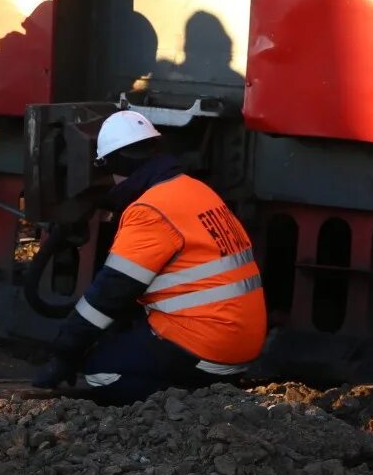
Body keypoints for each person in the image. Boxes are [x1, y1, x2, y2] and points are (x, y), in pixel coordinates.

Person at [32, 110, 266, 403]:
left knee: (100, 371)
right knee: (125, 342)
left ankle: (189, 401)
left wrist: (64, 355)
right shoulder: (196, 190)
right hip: (238, 345)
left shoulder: (150, 211)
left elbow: (109, 294)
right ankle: (203, 389)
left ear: (115, 164)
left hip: (207, 348)